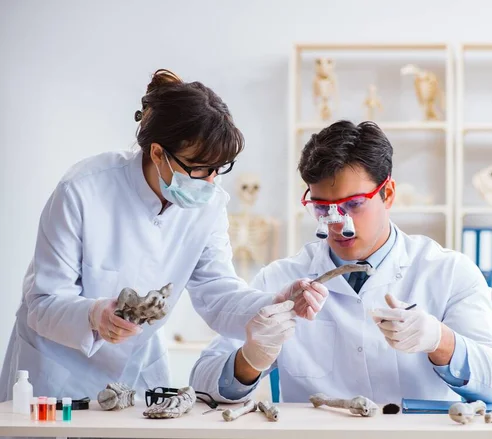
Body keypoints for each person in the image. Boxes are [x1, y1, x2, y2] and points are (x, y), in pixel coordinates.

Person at [0, 69, 327, 403]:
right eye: (198, 168)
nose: (210, 182)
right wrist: (95, 315)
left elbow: (217, 294)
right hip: (56, 375)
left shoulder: (209, 205)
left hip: (135, 373)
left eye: (219, 168)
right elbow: (41, 304)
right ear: (157, 153)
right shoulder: (83, 190)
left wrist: (275, 303)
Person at [190, 120, 492, 404]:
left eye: (354, 204)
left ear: (388, 194)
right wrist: (251, 358)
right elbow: (200, 380)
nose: (337, 223)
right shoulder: (281, 280)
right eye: (322, 208)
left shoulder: (449, 272)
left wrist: (440, 340)